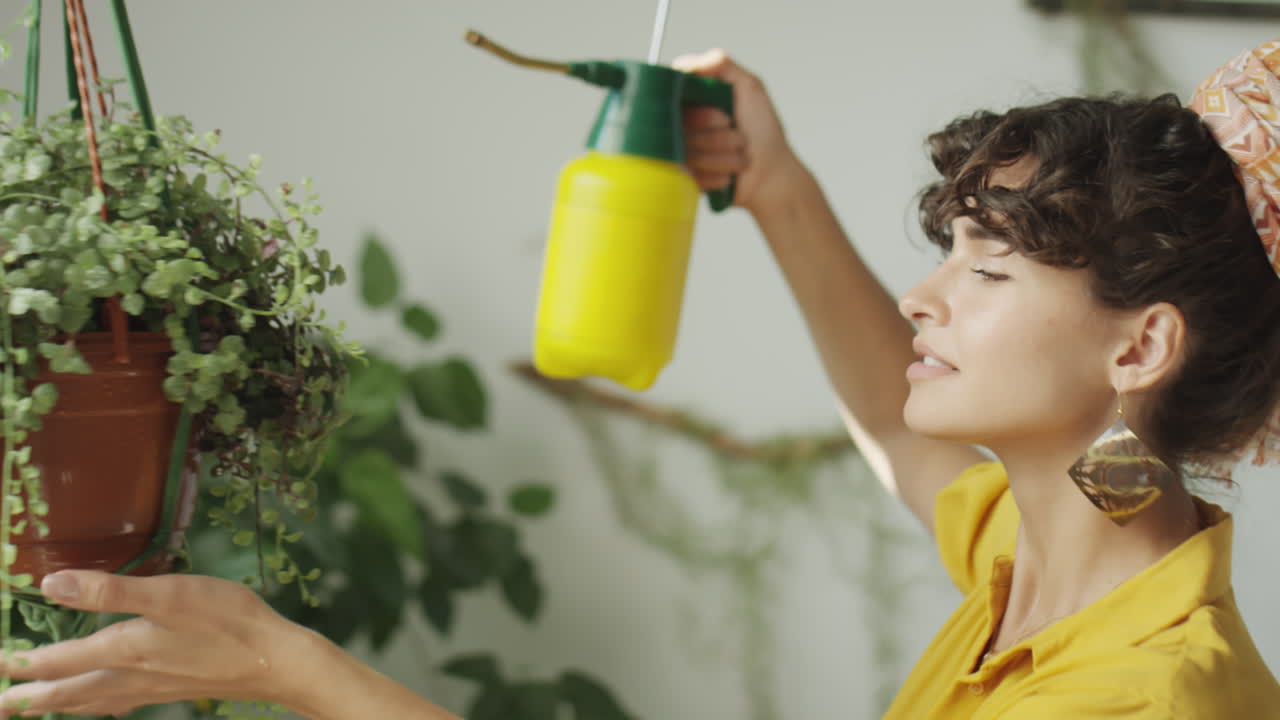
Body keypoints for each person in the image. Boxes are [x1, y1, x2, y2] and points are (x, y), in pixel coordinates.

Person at [2, 36, 1280, 720]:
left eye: (989, 273)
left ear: (1135, 348)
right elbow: (916, 453)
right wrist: (775, 193)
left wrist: (291, 667)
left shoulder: (1138, 696)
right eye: (944, 248)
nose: (921, 297)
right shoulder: (1042, 564)